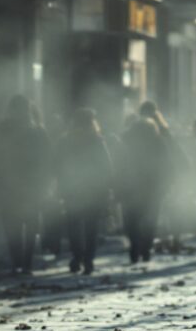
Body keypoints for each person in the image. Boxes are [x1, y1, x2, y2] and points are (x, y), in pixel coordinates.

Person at [0, 95, 51, 275]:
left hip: (8, 186)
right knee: (30, 225)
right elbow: (47, 159)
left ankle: (17, 262)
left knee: (12, 226)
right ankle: (26, 263)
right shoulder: (38, 131)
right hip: (31, 186)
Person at [55, 108, 113, 275]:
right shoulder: (96, 140)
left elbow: (57, 165)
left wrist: (60, 185)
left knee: (74, 225)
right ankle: (89, 260)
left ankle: (77, 256)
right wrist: (107, 187)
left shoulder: (65, 141)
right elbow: (106, 166)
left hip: (72, 190)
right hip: (94, 191)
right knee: (91, 227)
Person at [118, 107, 173, 262]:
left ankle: (135, 246)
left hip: (130, 188)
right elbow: (166, 165)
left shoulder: (126, 141)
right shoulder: (158, 142)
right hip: (153, 189)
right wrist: (167, 184)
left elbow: (119, 164)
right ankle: (146, 248)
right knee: (150, 219)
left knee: (131, 220)